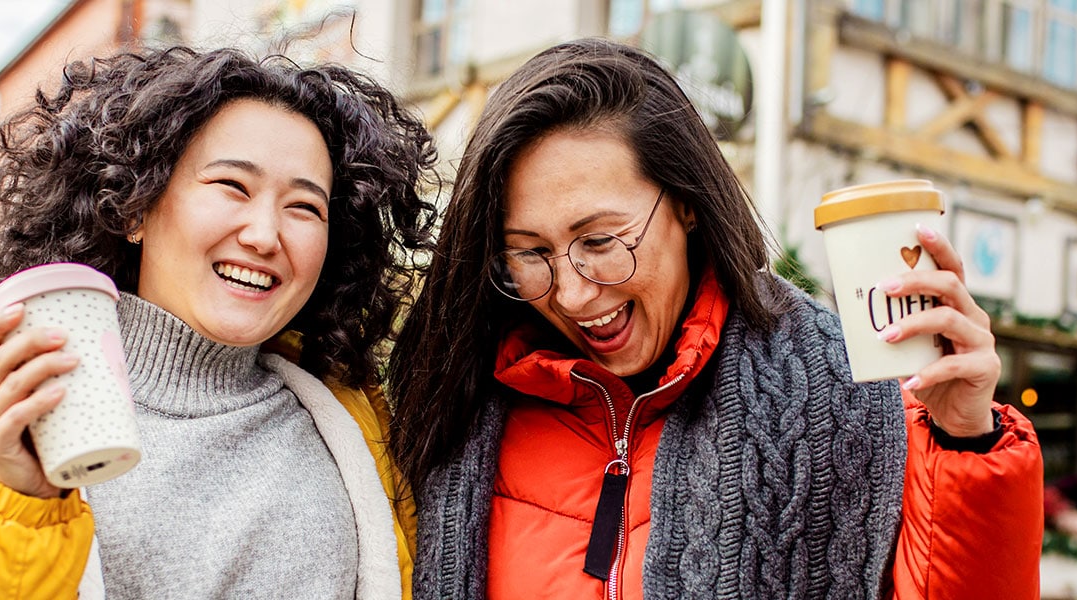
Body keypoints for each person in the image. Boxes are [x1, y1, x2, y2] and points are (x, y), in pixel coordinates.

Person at [388, 38, 1043, 600]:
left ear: (688, 204)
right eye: (529, 252)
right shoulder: (450, 401)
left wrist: (963, 438)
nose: (572, 295)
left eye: (599, 243)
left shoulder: (844, 393)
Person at [0, 46, 436, 599]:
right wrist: (20, 498)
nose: (264, 235)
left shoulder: (359, 428)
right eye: (232, 185)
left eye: (305, 207)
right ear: (134, 206)